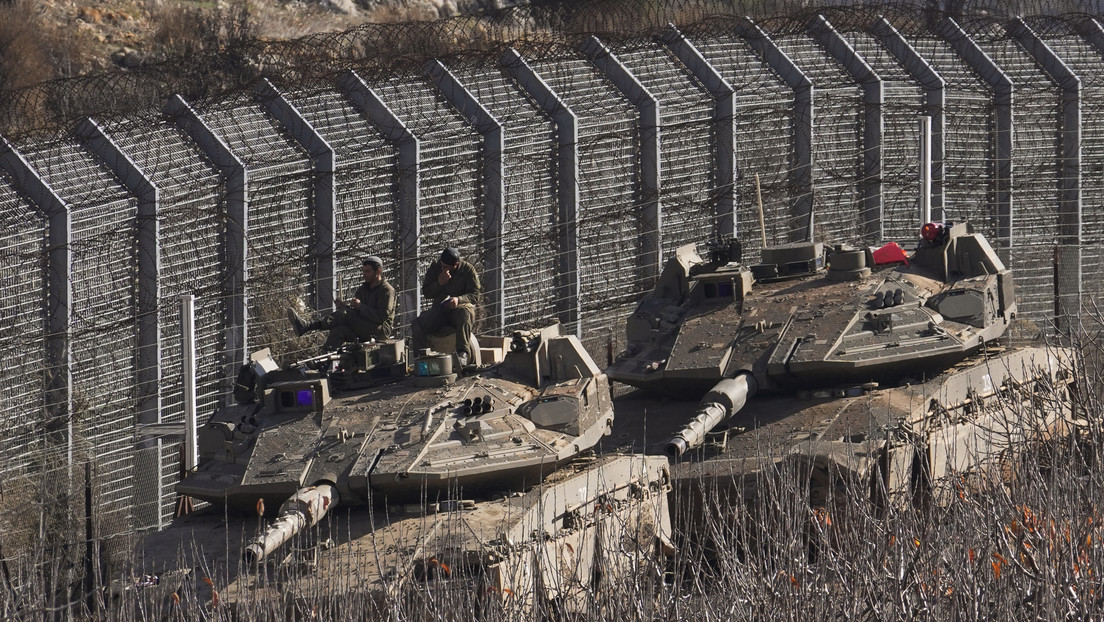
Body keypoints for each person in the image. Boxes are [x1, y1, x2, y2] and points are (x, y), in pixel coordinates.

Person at [288, 256, 396, 351]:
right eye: (363, 271)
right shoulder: (363, 289)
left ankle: (307, 326)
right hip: (366, 327)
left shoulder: (386, 291)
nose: (364, 275)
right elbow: (357, 313)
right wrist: (345, 307)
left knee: (347, 314)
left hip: (380, 331)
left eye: (367, 271)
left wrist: (360, 306)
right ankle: (323, 362)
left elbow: (382, 316)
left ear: (378, 271)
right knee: (339, 330)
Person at [412, 247, 481, 366]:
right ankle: (421, 359)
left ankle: (462, 354)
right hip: (440, 309)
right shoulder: (435, 268)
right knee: (418, 323)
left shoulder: (467, 270)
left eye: (446, 267)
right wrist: (439, 283)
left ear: (456, 265)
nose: (443, 269)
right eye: (442, 266)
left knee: (464, 314)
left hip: (459, 309)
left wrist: (458, 300)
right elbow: (427, 293)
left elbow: (475, 295)